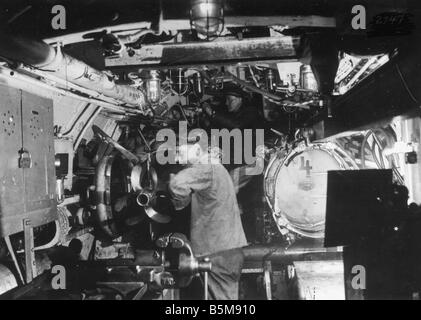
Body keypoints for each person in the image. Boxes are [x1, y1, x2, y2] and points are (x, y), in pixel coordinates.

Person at [168, 141, 248, 300]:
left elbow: (177, 184)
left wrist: (177, 200)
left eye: (180, 152)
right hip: (228, 251)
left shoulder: (207, 167)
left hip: (217, 252)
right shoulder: (219, 169)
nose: (177, 159)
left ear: (197, 150)